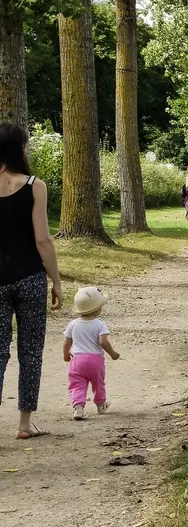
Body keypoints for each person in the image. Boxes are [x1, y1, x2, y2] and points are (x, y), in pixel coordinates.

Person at [0, 122, 61, 439]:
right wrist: (56, 280)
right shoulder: (35, 186)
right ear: (19, 149)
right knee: (31, 351)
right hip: (30, 278)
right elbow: (43, 240)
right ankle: (24, 424)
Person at [63, 286, 118, 420]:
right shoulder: (100, 324)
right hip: (95, 361)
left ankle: (78, 408)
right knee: (98, 383)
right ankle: (101, 405)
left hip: (77, 360)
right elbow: (103, 342)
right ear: (97, 308)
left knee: (76, 384)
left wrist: (65, 354)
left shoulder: (73, 324)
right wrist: (113, 354)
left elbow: (67, 342)